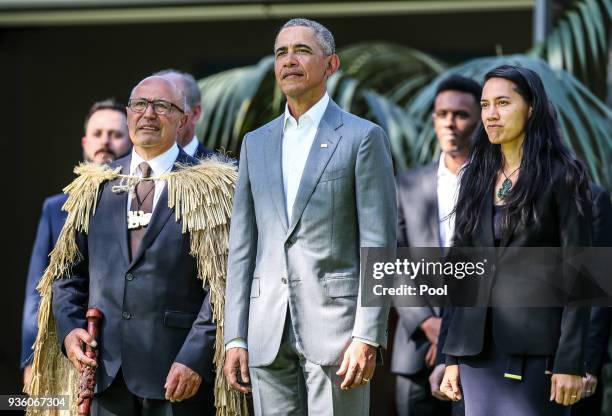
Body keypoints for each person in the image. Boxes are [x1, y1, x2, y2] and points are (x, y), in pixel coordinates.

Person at [28, 76, 238, 415]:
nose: (149, 114)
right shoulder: (96, 184)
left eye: (162, 106)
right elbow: (66, 274)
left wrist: (194, 358)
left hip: (177, 376)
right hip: (106, 376)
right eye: (140, 105)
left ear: (183, 118)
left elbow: (224, 285)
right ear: (128, 115)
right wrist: (70, 331)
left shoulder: (212, 187)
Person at [223, 18, 396, 415]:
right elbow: (242, 248)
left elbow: (379, 245)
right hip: (267, 331)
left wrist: (367, 335)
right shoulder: (255, 143)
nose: (290, 60)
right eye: (281, 52)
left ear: (331, 65)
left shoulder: (363, 137)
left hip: (338, 334)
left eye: (302, 50)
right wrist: (235, 337)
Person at [440, 65, 592, 415]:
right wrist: (450, 356)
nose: (491, 114)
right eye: (485, 104)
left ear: (531, 108)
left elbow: (582, 276)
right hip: (476, 355)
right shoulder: (474, 176)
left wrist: (570, 361)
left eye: (503, 103)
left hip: (539, 355)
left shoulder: (564, 175)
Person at [20, 99, 131, 386]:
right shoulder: (55, 208)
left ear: (131, 142)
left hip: (117, 358)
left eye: (116, 134)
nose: (105, 141)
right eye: (97, 134)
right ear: (84, 142)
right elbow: (37, 290)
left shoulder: (141, 202)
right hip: (62, 355)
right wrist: (30, 359)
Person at [392, 75, 481, 416]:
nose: (450, 122)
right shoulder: (406, 185)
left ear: (479, 120)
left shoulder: (496, 183)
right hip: (415, 347)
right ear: (433, 119)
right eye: (442, 114)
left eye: (461, 114)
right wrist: (429, 324)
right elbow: (392, 260)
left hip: (475, 350)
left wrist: (453, 334)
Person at [153, 69, 213, 158]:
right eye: (143, 104)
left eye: (165, 105)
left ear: (195, 113)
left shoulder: (226, 170)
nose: (150, 114)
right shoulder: (128, 166)